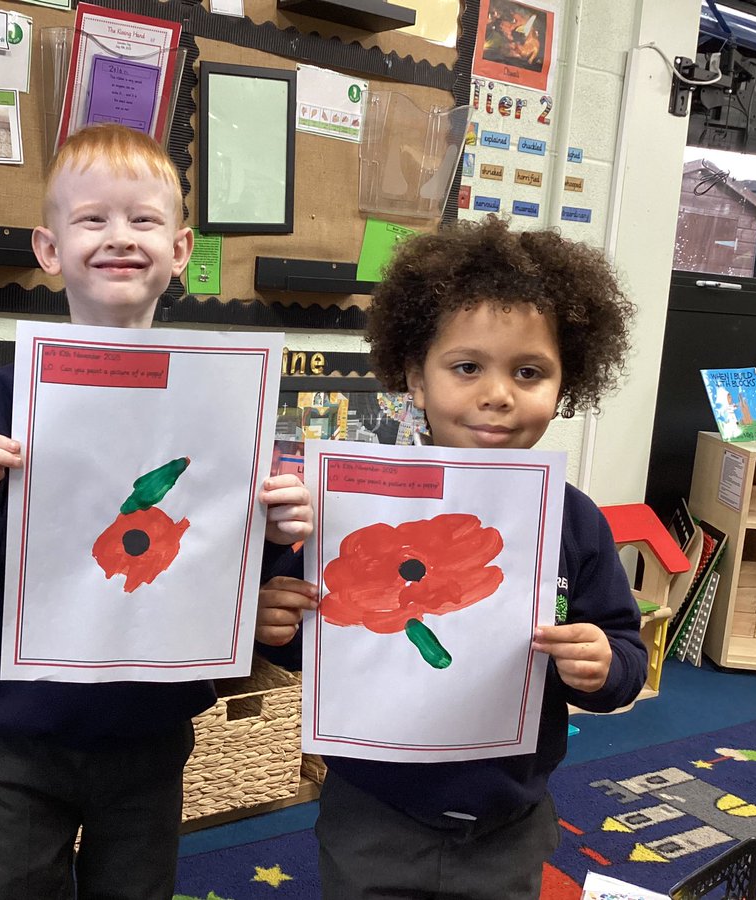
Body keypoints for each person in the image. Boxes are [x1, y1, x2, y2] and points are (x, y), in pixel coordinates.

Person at [0, 123, 313, 900]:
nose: (119, 236)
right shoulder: (0, 401)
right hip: (18, 726)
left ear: (179, 249)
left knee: (137, 890)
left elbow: (231, 571)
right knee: (14, 889)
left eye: (143, 219)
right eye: (93, 219)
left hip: (149, 727)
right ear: (49, 249)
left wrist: (279, 536)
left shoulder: (221, 405)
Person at [256, 215, 648, 900]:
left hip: (510, 818)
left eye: (529, 372)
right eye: (467, 367)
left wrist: (603, 664)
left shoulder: (573, 520)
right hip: (374, 810)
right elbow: (308, 639)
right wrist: (278, 624)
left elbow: (623, 655)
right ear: (416, 376)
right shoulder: (352, 505)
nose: (497, 394)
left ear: (565, 385)